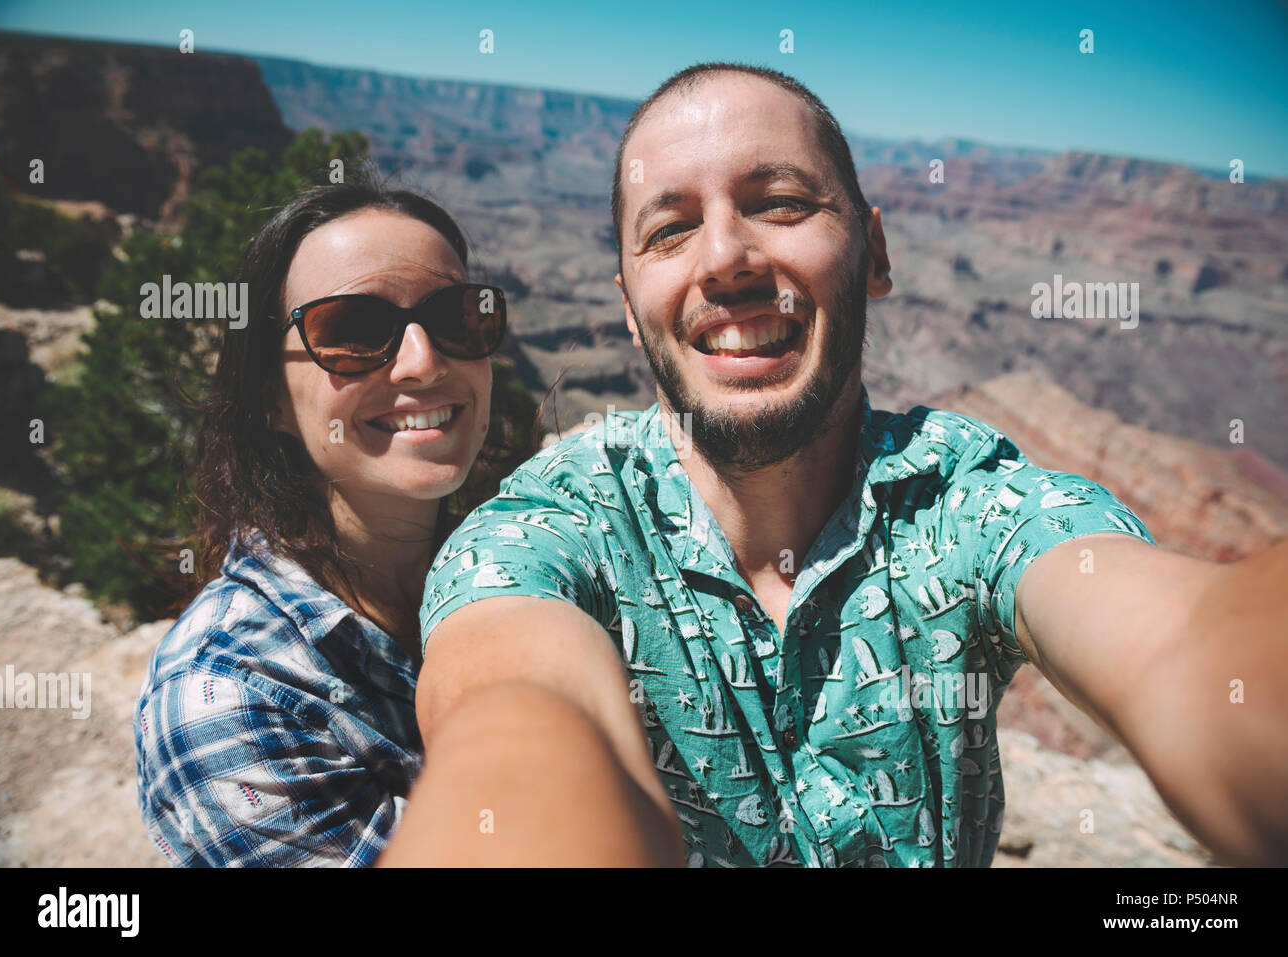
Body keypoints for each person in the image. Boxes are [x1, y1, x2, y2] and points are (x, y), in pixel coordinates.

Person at [379, 62, 1288, 868]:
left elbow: (1180, 643)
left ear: (876, 252)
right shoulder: (547, 531)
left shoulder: (962, 501)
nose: (727, 257)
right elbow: (513, 717)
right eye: (669, 230)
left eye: (779, 202)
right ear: (627, 306)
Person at [134, 181, 521, 866]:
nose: (424, 362)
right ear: (267, 399)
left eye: (457, 315)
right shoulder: (229, 698)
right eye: (352, 331)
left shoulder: (534, 562)